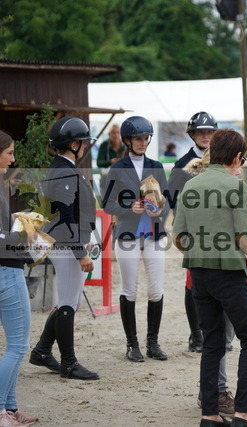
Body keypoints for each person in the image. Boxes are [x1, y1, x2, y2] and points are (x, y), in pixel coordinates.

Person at [172, 128, 247, 427]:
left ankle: (210, 414)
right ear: (237, 157)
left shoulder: (190, 185)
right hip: (228, 272)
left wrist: (200, 248)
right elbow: (243, 236)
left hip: (198, 272)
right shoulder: (236, 186)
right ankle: (243, 413)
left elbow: (179, 236)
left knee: (212, 342)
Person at [168, 111, 236, 415]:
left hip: (224, 244)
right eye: (201, 132)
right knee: (196, 294)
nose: (205, 136)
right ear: (193, 135)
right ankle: (196, 334)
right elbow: (176, 205)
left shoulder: (227, 164)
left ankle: (210, 384)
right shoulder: (182, 166)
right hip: (199, 242)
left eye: (210, 132)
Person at [29, 117, 100, 381]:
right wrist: (80, 252)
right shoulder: (64, 171)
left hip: (69, 243)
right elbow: (66, 217)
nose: (85, 146)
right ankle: (69, 363)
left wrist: (85, 237)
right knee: (69, 302)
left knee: (70, 301)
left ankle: (42, 351)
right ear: (73, 144)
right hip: (66, 247)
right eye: (83, 142)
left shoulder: (64, 168)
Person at [102, 116, 170, 363]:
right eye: (137, 139)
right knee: (129, 289)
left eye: (145, 138)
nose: (142, 142)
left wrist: (159, 211)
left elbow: (167, 200)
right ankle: (132, 344)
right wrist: (128, 208)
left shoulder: (157, 166)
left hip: (153, 235)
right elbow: (107, 204)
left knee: (156, 290)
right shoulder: (117, 169)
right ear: (128, 141)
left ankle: (153, 342)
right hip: (128, 236)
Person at [0, 130, 38, 426]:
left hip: (7, 267)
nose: (13, 159)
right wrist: (26, 231)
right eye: (9, 153)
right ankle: (1, 409)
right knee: (18, 346)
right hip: (7, 269)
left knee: (16, 344)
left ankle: (10, 406)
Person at [96, 124, 125, 195]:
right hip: (106, 182)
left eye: (118, 132)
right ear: (109, 134)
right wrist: (110, 162)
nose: (116, 135)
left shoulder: (125, 146)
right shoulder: (104, 145)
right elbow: (99, 163)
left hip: (122, 182)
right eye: (113, 132)